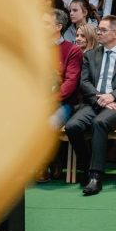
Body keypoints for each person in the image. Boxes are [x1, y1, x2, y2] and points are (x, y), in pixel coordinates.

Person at [63, 15, 116, 196]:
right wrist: (100, 97)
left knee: (99, 123)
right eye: (98, 29)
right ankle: (87, 165)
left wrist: (113, 96)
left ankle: (95, 176)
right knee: (72, 126)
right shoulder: (90, 55)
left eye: (103, 30)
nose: (98, 32)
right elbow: (84, 82)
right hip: (94, 102)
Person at [38, 9, 83, 184]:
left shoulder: (72, 50)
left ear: (58, 27)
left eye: (45, 23)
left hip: (63, 103)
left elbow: (70, 83)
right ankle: (54, 159)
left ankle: (43, 165)